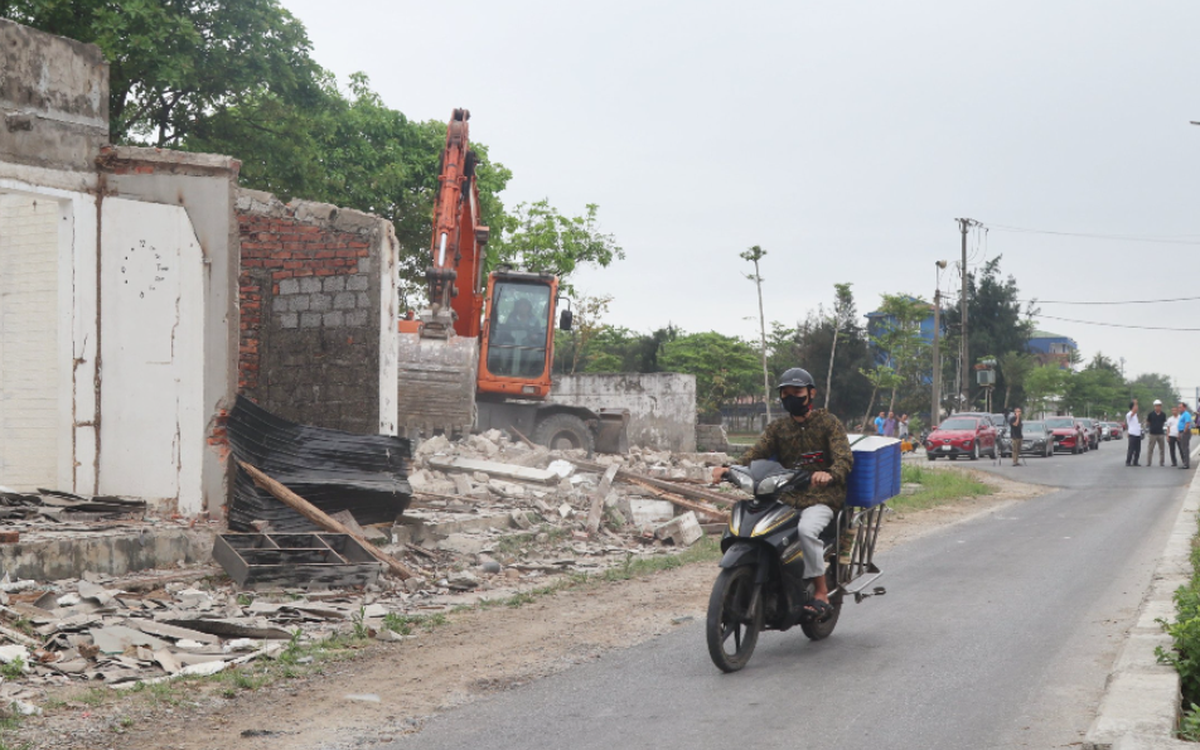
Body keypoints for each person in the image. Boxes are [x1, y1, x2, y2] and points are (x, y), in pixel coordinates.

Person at [712, 367, 853, 621]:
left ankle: (820, 592)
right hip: (786, 496)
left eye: (797, 392)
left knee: (806, 531)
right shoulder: (779, 428)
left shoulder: (828, 423)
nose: (791, 398)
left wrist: (830, 473)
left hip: (822, 498)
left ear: (811, 394)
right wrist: (730, 468)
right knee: (760, 528)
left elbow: (844, 458)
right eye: (785, 393)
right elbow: (756, 453)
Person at [1146, 399, 1168, 467]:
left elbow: (1164, 422)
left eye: (1159, 406)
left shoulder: (1163, 414)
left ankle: (1162, 462)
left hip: (1160, 433)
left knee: (1162, 449)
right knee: (1150, 449)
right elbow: (1148, 422)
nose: (1157, 407)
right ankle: (1149, 462)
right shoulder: (1151, 414)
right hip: (1152, 433)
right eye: (1156, 406)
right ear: (1154, 406)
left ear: (1161, 407)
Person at [1125, 400, 1143, 467]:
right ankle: (1128, 461)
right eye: (1135, 406)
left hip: (1137, 434)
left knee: (1138, 449)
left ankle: (1135, 461)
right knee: (1131, 449)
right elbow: (1133, 412)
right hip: (1132, 434)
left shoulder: (1136, 415)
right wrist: (1135, 403)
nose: (1137, 407)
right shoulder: (1129, 414)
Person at [1180, 403, 1194, 470]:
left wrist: (1184, 432)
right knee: (1183, 448)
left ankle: (1186, 464)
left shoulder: (1186, 414)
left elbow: (1187, 423)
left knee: (1185, 448)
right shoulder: (1182, 414)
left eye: (1180, 407)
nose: (1179, 409)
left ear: (1184, 408)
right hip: (1182, 432)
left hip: (1185, 432)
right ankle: (1185, 463)